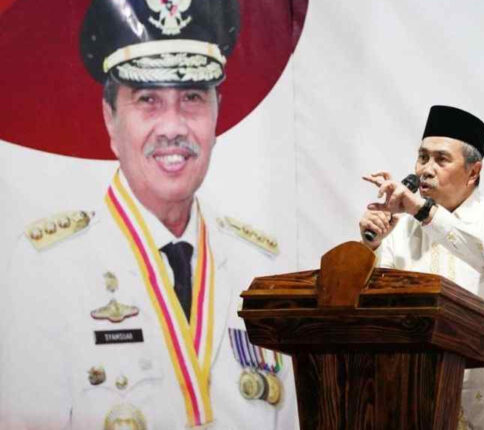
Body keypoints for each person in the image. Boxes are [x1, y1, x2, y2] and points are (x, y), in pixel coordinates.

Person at [0, 0, 297, 428]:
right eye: (148, 100)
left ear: (217, 111)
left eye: (192, 98)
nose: (173, 127)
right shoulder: (48, 270)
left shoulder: (261, 268)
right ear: (110, 117)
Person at [358, 105, 484, 430]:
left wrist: (422, 210)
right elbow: (373, 310)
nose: (426, 170)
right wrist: (371, 246)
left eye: (441, 160)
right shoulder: (400, 229)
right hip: (418, 403)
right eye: (422, 157)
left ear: (473, 171)